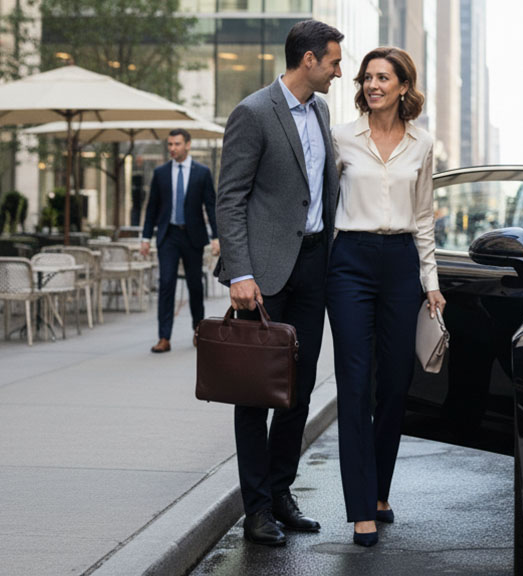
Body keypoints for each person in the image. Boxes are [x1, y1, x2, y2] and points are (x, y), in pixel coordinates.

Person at [215, 19, 343, 547]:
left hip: (315, 266)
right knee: (255, 390)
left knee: (301, 385)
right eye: (334, 61)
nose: (340, 70)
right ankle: (257, 508)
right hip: (264, 277)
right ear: (308, 60)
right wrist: (240, 271)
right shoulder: (252, 112)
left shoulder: (322, 110)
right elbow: (231, 198)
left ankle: (282, 491)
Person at [329, 46, 445, 547]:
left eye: (384, 77)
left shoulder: (422, 144)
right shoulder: (340, 137)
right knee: (355, 384)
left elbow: (423, 217)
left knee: (395, 384)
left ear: (403, 87)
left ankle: (380, 491)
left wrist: (432, 282)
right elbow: (321, 205)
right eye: (368, 77)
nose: (373, 84)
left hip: (400, 263)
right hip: (349, 262)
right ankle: (361, 508)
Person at [141, 128, 218, 353]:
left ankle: (198, 330)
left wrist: (216, 237)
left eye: (177, 144)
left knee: (195, 285)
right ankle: (164, 337)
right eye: (170, 145)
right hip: (169, 235)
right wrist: (145, 238)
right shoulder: (161, 173)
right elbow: (152, 208)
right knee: (166, 284)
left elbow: (210, 206)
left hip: (193, 235)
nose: (172, 148)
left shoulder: (202, 173)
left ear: (188, 145)